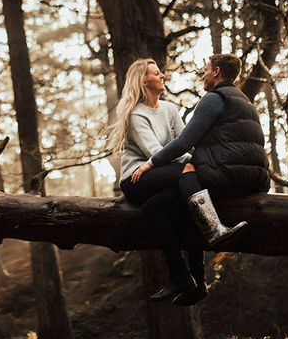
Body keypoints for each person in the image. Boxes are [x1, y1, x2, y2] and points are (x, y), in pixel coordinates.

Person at [133, 53, 270, 303]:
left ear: (216, 72)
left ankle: (207, 239)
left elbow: (185, 141)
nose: (203, 75)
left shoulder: (214, 98)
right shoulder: (243, 100)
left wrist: (151, 163)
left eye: (205, 70)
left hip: (225, 175)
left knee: (156, 206)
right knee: (185, 205)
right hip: (255, 177)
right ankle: (197, 282)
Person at [110, 58, 208, 305]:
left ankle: (193, 279)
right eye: (156, 73)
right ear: (144, 81)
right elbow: (155, 151)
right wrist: (192, 163)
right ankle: (212, 227)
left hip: (167, 174)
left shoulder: (170, 109)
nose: (162, 75)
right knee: (189, 172)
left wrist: (192, 159)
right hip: (137, 178)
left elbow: (185, 142)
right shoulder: (135, 114)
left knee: (159, 208)